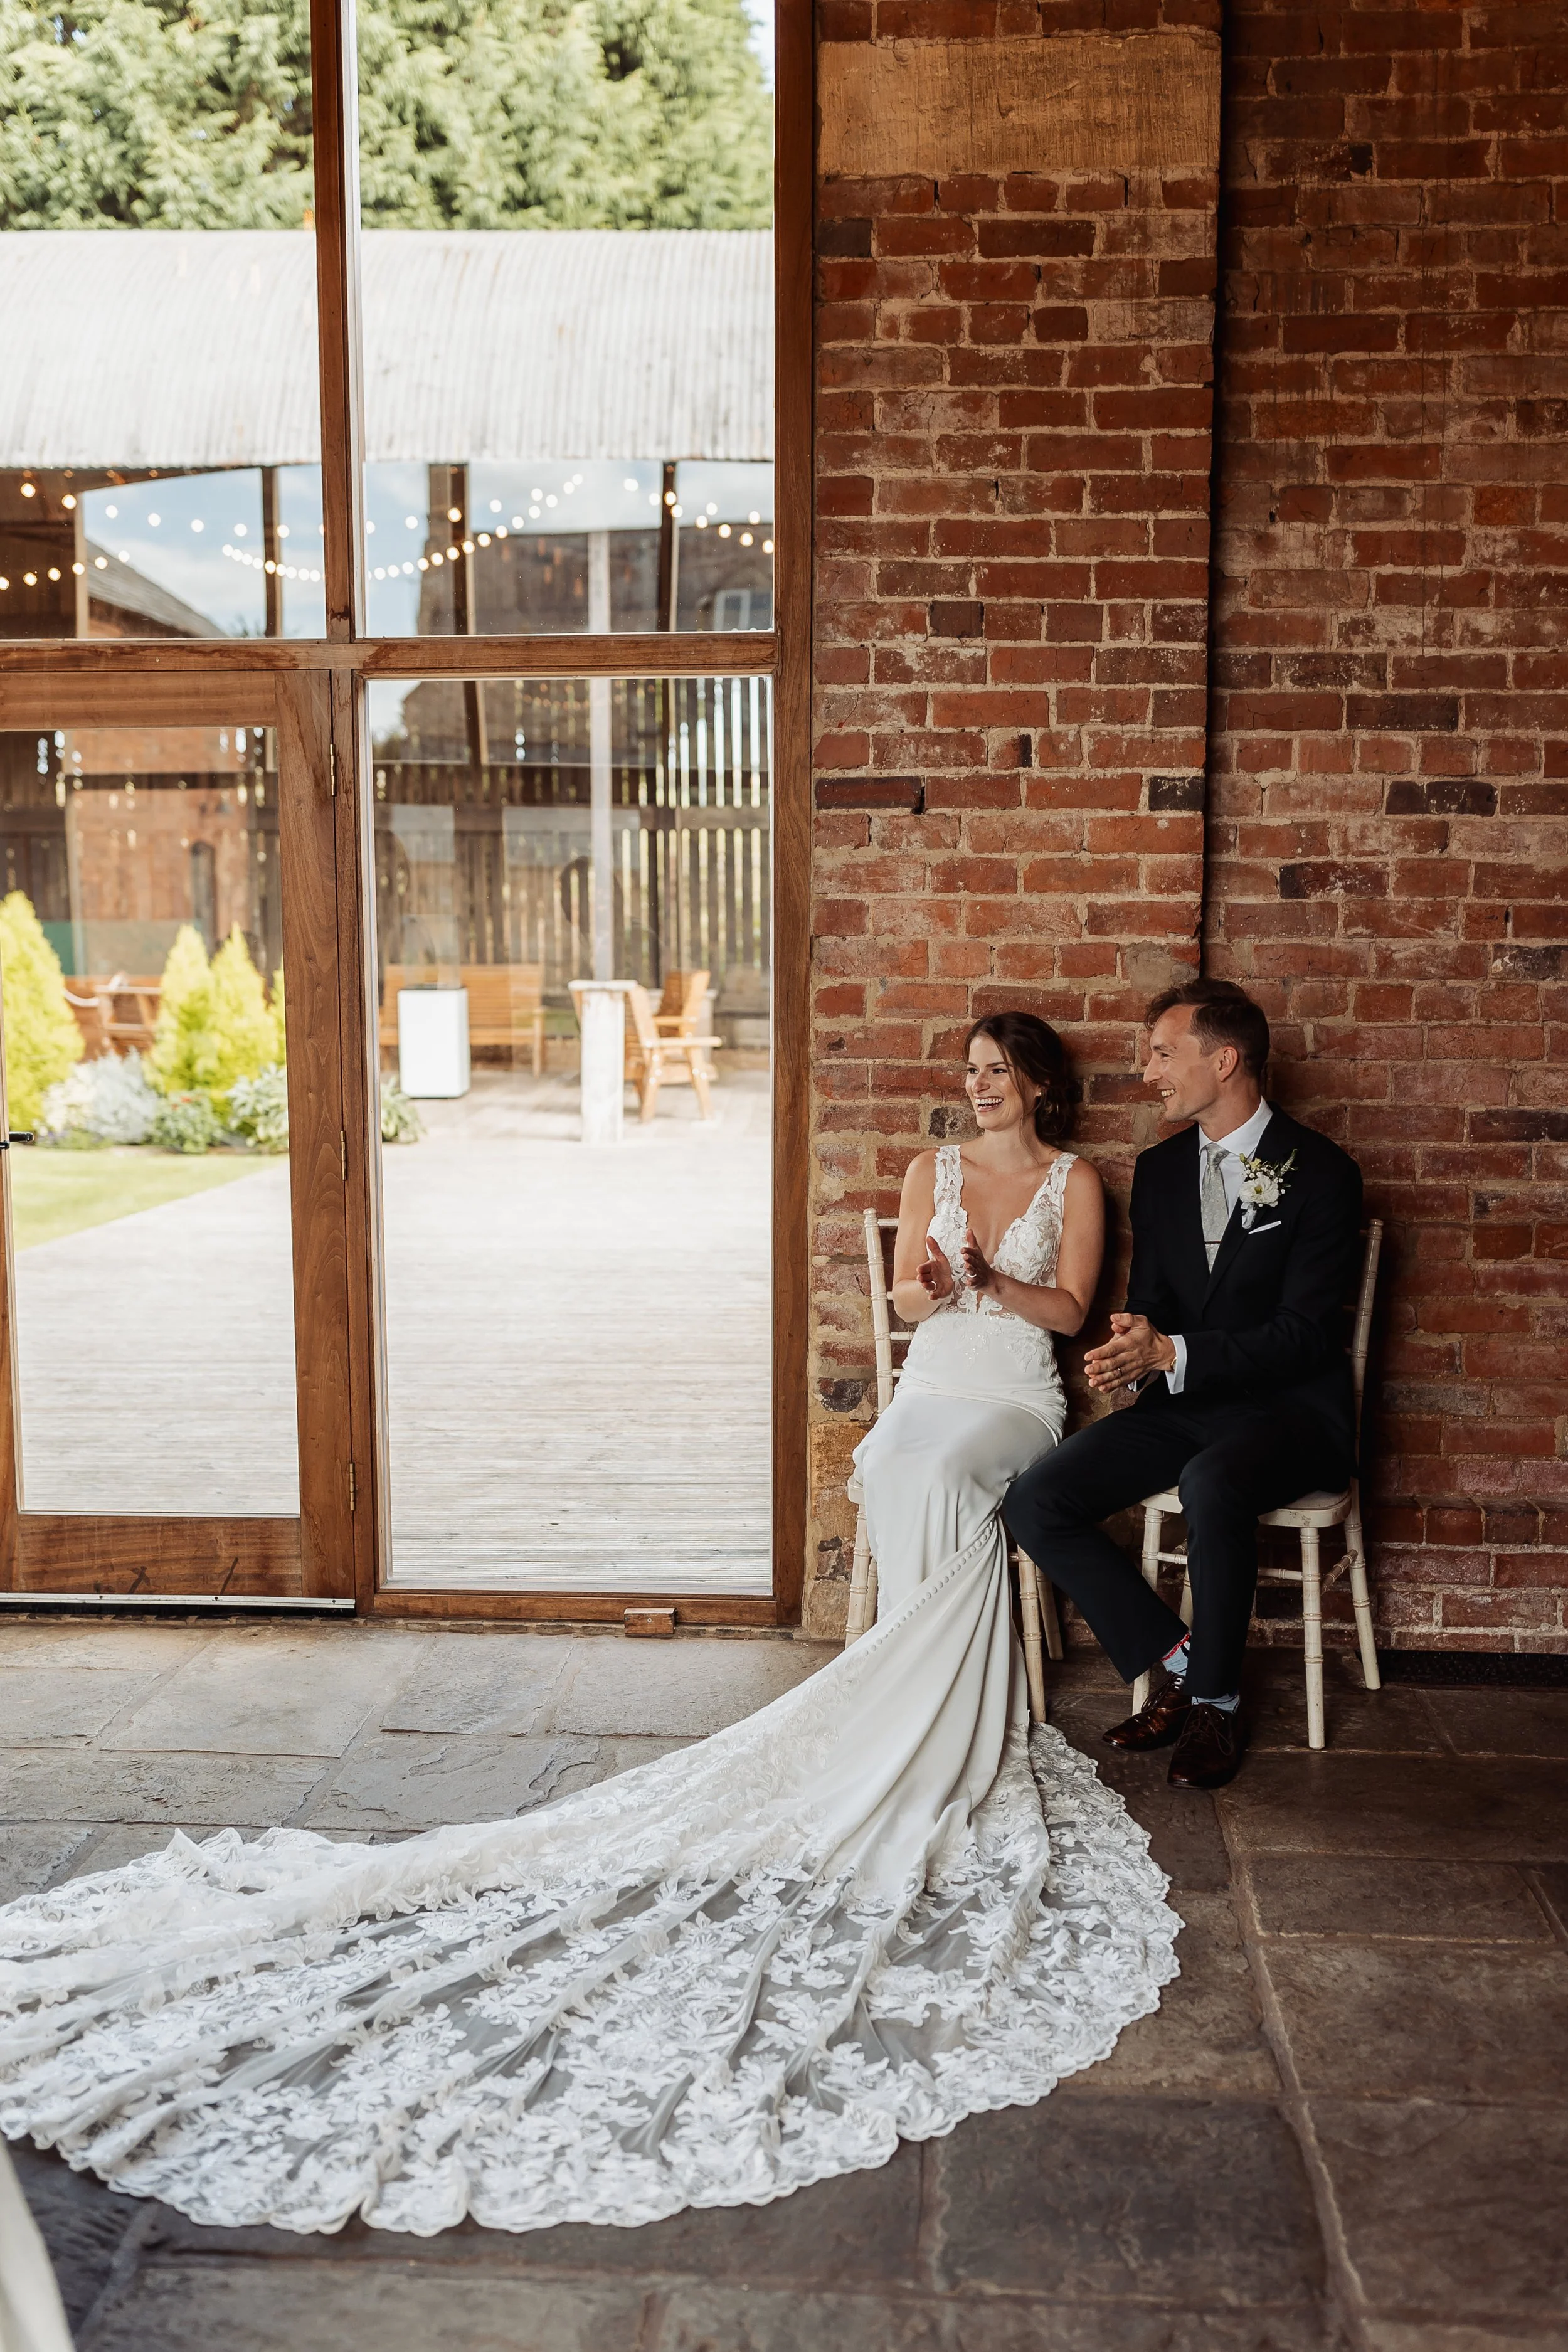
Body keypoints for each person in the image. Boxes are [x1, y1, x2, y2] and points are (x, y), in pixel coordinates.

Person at [0, 1016, 1179, 2243]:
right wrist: (928, 1285)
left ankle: (920, 1700)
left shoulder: (1072, 1180)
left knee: (943, 1473)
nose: (978, 1088)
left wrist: (989, 1282)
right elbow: (896, 1291)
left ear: (1035, 1082)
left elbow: (1067, 1309)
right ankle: (904, 1680)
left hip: (1009, 1393)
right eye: (969, 1071)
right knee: (895, 1461)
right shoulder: (927, 1171)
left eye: (997, 1072)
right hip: (937, 1370)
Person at [1004, 978, 1364, 1792]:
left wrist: (1172, 1354)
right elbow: (1158, 1302)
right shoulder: (1161, 1169)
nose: (1147, 1071)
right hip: (1186, 1404)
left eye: (1164, 1052)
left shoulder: (1321, 1174)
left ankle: (1216, 1703)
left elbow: (1304, 1335)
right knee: (1036, 1500)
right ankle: (1183, 1657)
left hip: (1291, 1413)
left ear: (1225, 1058)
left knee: (1211, 1480)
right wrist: (1135, 1344)